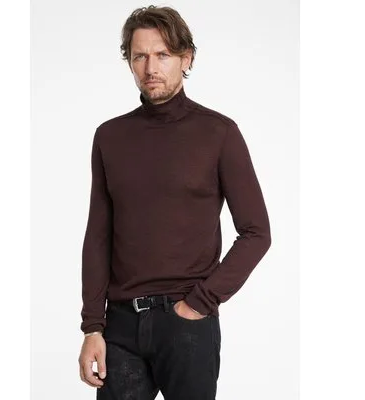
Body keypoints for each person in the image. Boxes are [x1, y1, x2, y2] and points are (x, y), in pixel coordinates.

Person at [78, 5, 271, 399]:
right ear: (129, 62)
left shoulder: (219, 133)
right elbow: (98, 235)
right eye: (140, 56)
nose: (151, 68)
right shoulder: (109, 137)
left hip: (187, 324)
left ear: (187, 58)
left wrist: (200, 303)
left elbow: (257, 232)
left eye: (163, 54)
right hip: (120, 327)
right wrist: (92, 326)